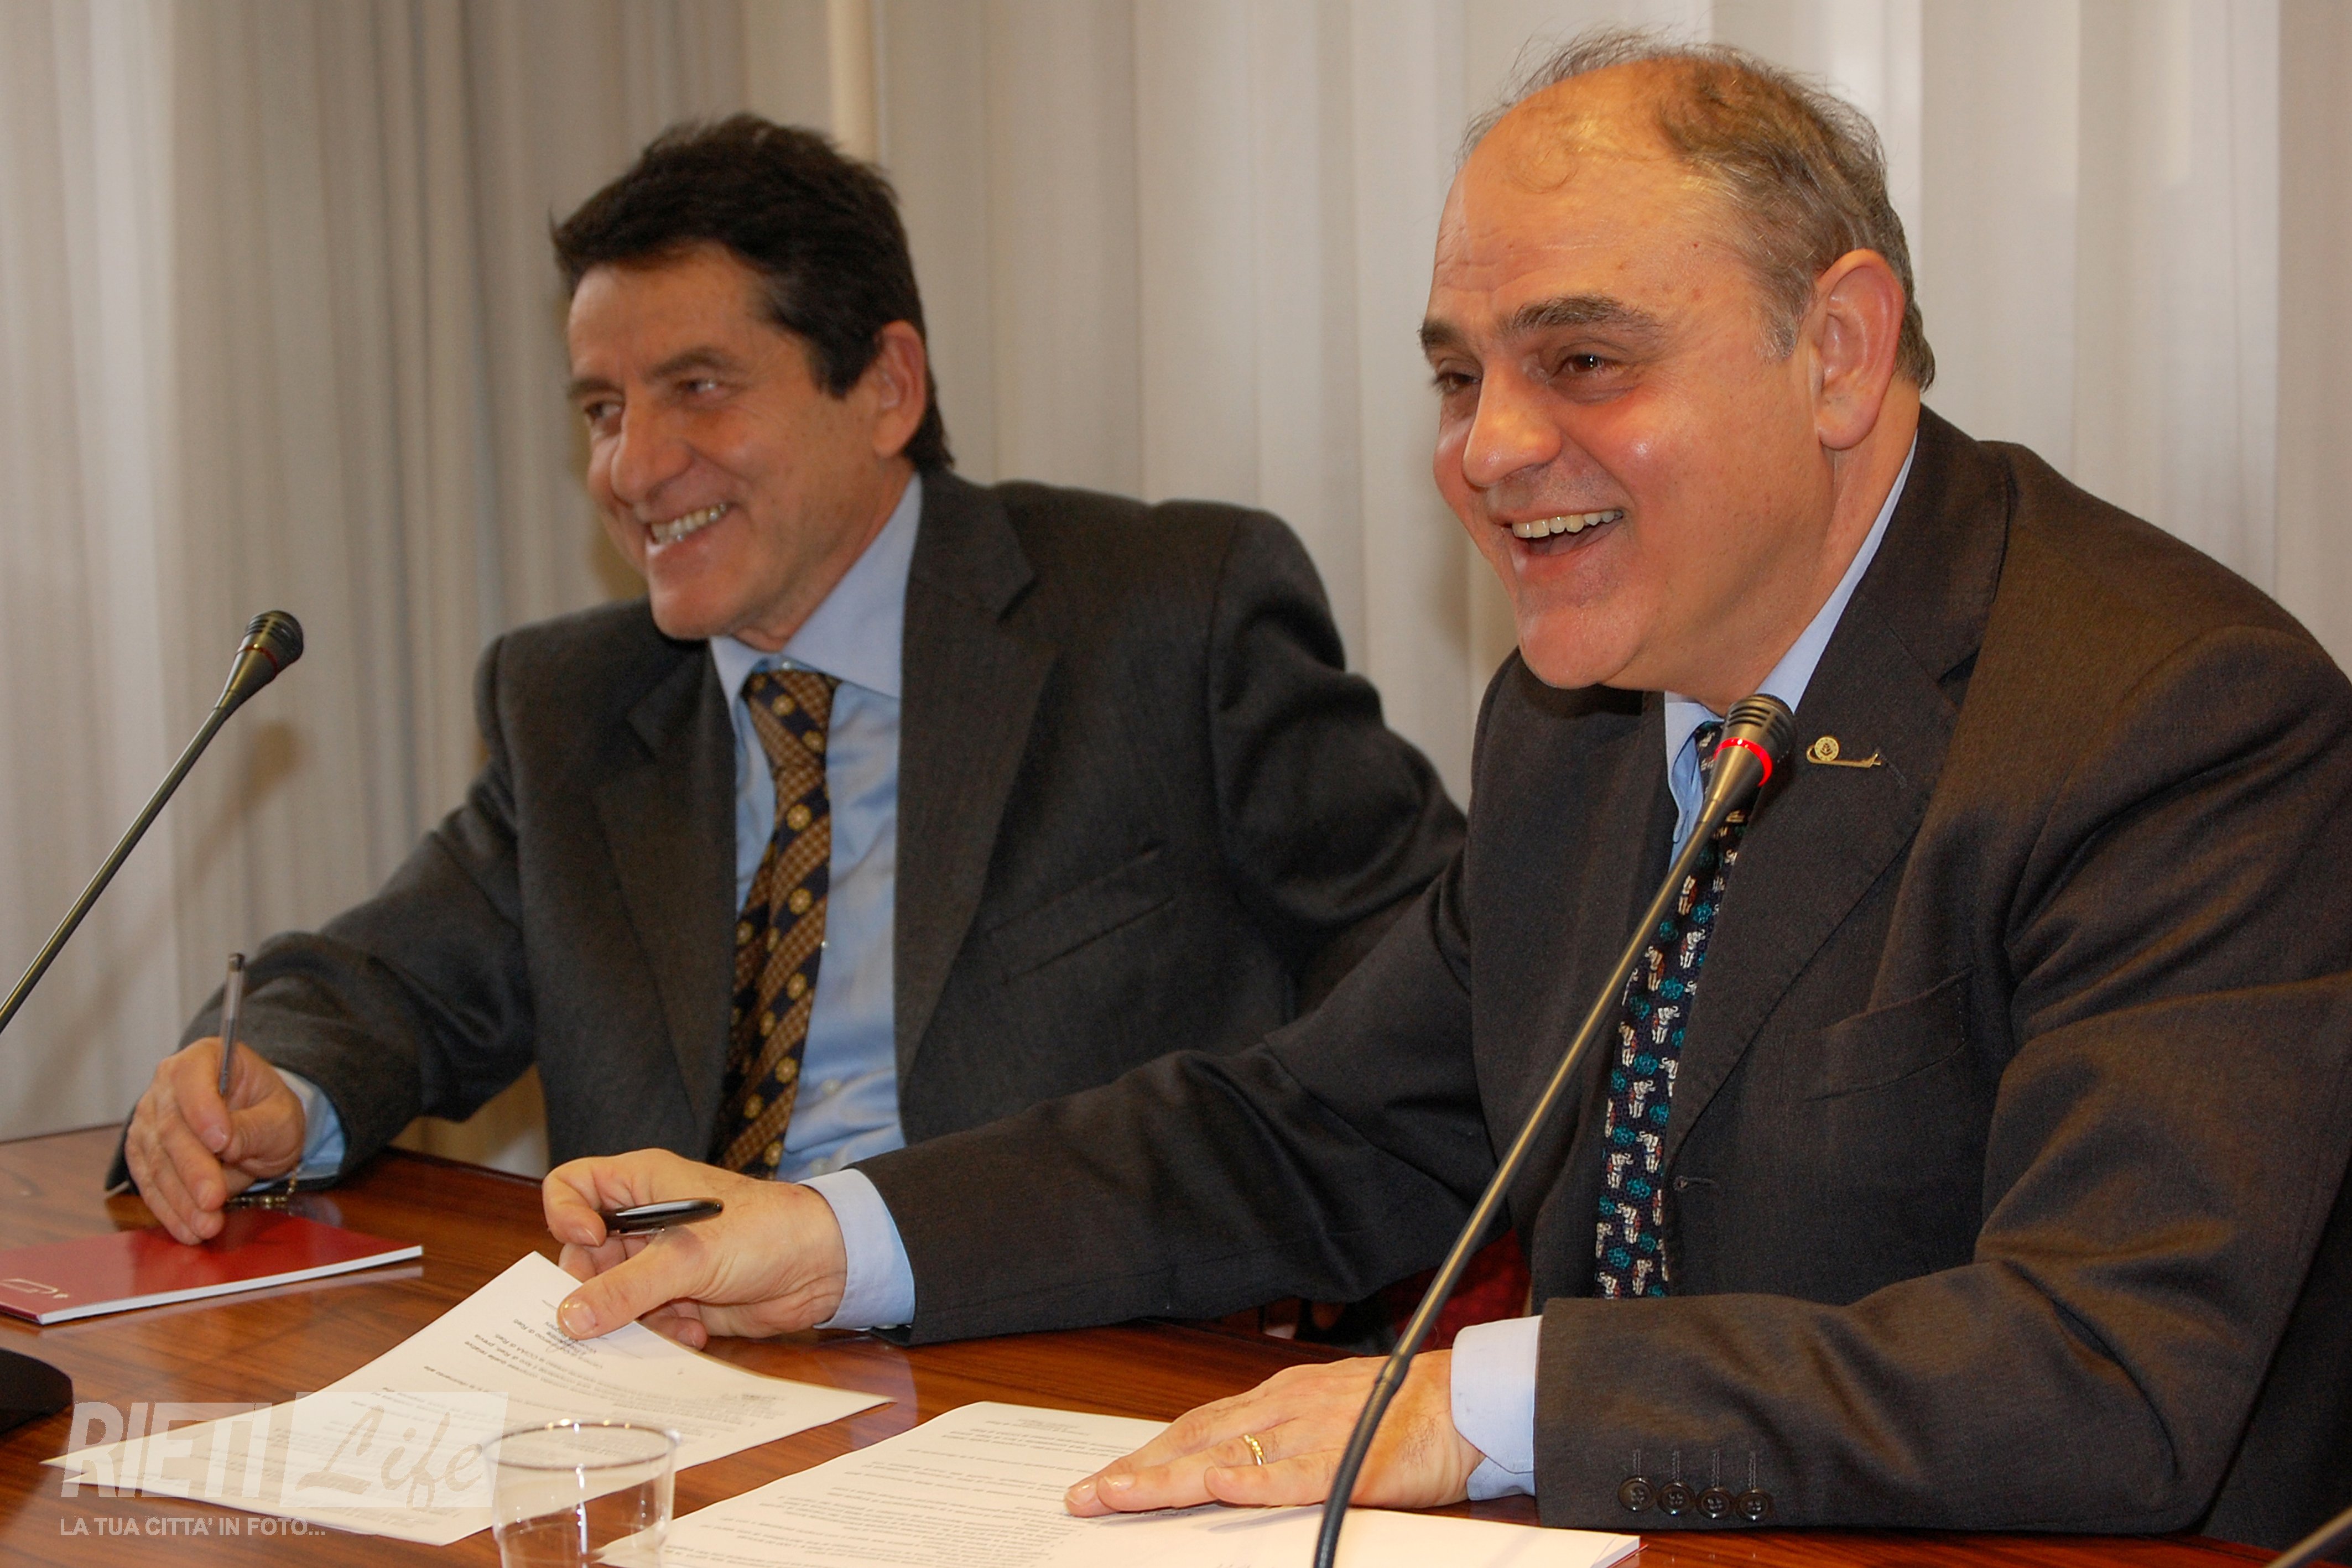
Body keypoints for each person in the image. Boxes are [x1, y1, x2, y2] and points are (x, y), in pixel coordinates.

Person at [537, 35, 2352, 1550]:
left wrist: (1476, 1401)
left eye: (1581, 362)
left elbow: (2105, 1367)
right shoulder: (1578, 714)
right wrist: (838, 1237)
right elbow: (1319, 1128)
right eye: (1459, 376)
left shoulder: (2175, 721)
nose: (1486, 449)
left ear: (1837, 352)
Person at [117, 116, 1464, 1251]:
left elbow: (1432, 968)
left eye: (698, 388)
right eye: (602, 409)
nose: (633, 468)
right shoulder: (573, 703)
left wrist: (1303, 1263)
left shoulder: (1166, 616)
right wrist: (271, 1082)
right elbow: (385, 984)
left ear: (884, 387)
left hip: (1055, 1352)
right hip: (676, 1367)